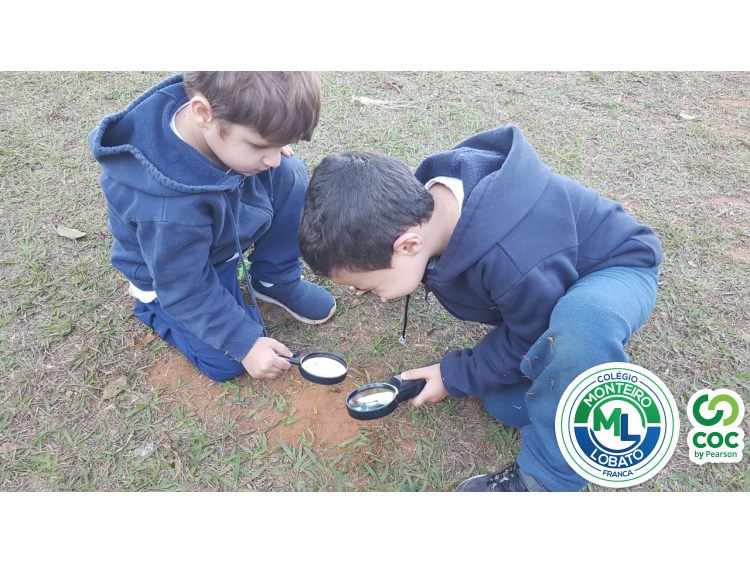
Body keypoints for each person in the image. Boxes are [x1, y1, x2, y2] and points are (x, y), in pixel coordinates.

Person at [298, 125, 662, 492]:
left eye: (369, 285)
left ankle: (546, 479)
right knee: (503, 402)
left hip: (615, 268)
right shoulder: (423, 211)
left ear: (408, 245)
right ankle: (573, 384)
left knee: (581, 326)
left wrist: (454, 373)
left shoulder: (511, 256)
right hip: (544, 282)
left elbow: (533, 332)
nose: (365, 292)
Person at [89, 72, 336, 383]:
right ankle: (153, 309)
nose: (272, 158)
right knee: (229, 362)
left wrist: (268, 140)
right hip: (174, 276)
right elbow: (184, 286)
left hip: (217, 238)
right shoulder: (168, 210)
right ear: (203, 113)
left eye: (280, 144)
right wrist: (244, 343)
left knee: (289, 172)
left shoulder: (225, 114)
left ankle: (274, 279)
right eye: (260, 145)